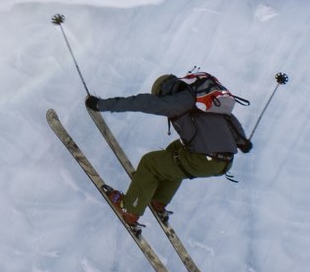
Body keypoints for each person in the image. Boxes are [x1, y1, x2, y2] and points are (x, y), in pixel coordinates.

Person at [85, 74, 253, 227]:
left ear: (162, 91)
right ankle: (158, 199)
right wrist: (242, 142)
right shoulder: (202, 99)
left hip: (205, 160)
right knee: (175, 150)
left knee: (149, 163)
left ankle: (130, 209)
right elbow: (230, 120)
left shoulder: (177, 102)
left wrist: (101, 104)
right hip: (224, 161)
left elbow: (141, 102)